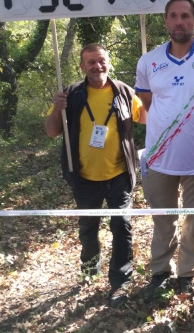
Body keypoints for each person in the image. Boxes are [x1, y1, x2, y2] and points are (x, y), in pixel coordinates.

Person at [135, 0, 194, 298]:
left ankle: (187, 272)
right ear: (165, 21)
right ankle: (160, 271)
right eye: (173, 16)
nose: (179, 21)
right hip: (159, 156)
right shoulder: (148, 61)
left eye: (185, 16)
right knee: (163, 220)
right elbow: (149, 102)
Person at [45, 43, 144, 307]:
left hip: (119, 176)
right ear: (82, 66)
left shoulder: (124, 92)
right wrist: (57, 107)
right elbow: (52, 131)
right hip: (84, 178)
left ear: (108, 63)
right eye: (91, 62)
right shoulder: (71, 94)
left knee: (121, 227)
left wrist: (151, 94)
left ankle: (120, 283)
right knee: (88, 228)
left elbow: (147, 118)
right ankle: (90, 270)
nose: (97, 67)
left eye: (101, 61)